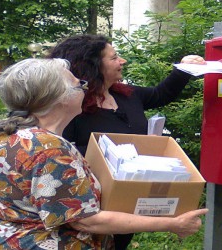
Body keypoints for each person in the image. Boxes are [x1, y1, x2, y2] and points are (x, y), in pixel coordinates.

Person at [0, 58, 208, 249]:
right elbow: (86, 222)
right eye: (80, 86)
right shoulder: (50, 148)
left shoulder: (5, 136)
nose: (85, 91)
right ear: (59, 98)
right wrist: (173, 223)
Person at [48, 34, 204, 249]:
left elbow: (161, 94)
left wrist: (183, 69)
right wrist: (122, 156)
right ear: (92, 66)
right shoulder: (72, 107)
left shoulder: (128, 95)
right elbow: (63, 153)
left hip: (130, 203)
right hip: (93, 211)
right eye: (114, 58)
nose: (122, 61)